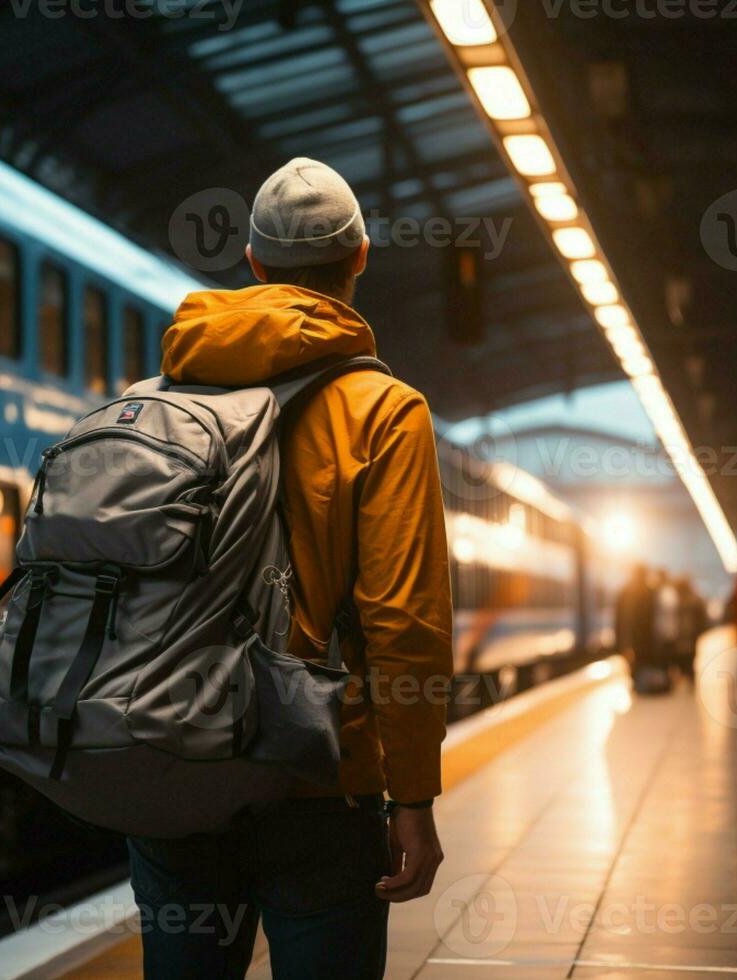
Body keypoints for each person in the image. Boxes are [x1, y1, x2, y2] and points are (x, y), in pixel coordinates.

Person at [126, 158, 453, 979]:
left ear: (255, 264)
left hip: (173, 764)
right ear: (362, 259)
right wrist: (413, 799)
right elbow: (403, 625)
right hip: (320, 781)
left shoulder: (154, 399)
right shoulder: (384, 410)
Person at [615, 563, 658, 669]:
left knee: (635, 671)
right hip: (646, 644)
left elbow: (621, 621)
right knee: (643, 671)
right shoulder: (650, 592)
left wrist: (623, 644)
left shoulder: (625, 592)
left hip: (633, 643)